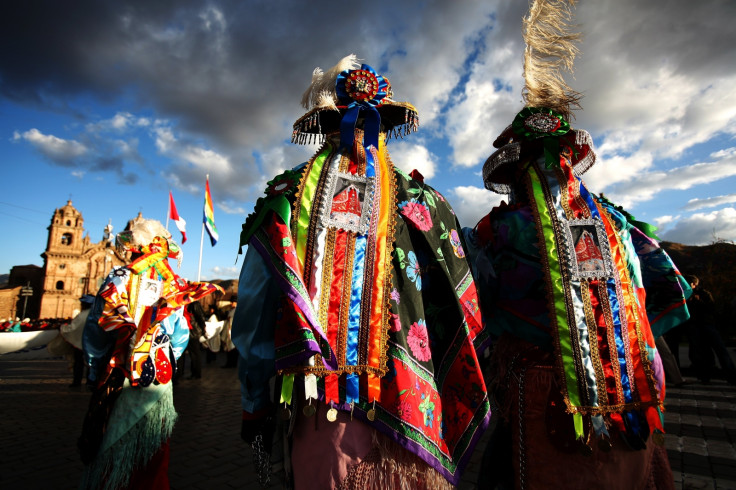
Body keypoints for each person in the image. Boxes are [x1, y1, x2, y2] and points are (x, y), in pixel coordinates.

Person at [232, 56, 490, 489]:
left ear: (322, 122)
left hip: (319, 412)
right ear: (384, 126)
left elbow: (256, 317)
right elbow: (466, 310)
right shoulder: (427, 203)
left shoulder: (286, 199)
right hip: (417, 415)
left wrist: (255, 404)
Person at [463, 1, 691, 488]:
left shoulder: (494, 232)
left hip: (534, 392)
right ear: (571, 159)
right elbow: (666, 289)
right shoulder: (617, 223)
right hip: (627, 386)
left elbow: (470, 305)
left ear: (517, 167)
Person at [78, 218, 221, 490]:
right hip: (157, 380)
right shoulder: (173, 284)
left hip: (119, 374)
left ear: (135, 247)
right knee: (154, 454)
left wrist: (94, 372)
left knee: (110, 445)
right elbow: (179, 336)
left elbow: (97, 331)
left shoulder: (120, 279)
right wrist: (164, 364)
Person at [685, 275, 736, 385]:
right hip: (695, 325)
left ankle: (730, 374)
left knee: (720, 349)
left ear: (694, 284)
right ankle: (705, 375)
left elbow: (711, 308)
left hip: (706, 324)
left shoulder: (704, 294)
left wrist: (699, 301)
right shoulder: (686, 295)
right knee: (702, 351)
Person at [221, 296, 238, 368]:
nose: (231, 303)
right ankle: (230, 363)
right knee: (230, 348)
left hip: (232, 331)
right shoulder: (232, 310)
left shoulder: (236, 311)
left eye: (233, 302)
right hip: (231, 331)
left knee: (232, 349)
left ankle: (232, 363)